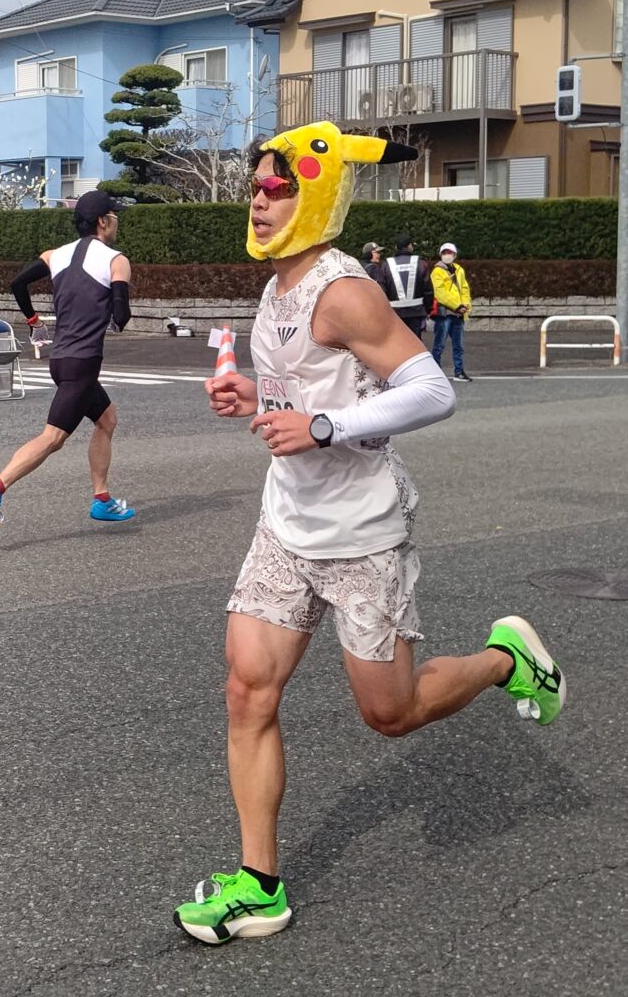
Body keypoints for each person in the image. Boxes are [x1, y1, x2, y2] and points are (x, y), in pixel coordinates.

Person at [172, 121, 566, 946]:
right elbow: (304, 387)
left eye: (277, 187)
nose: (259, 200)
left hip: (360, 533)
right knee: (246, 690)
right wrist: (255, 400)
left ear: (314, 197)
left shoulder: (344, 291)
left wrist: (322, 427)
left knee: (389, 714)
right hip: (286, 525)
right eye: (254, 186)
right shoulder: (277, 284)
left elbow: (431, 390)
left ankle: (505, 659)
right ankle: (258, 885)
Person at [0, 189, 136, 533]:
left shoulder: (55, 255)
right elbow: (121, 316)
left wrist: (34, 321)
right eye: (114, 217)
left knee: (107, 419)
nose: (116, 222)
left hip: (61, 359)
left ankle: (102, 498)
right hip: (82, 363)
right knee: (53, 438)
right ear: (102, 222)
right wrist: (110, 315)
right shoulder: (116, 260)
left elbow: (18, 283)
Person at [375, 232, 434, 339]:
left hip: (395, 313)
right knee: (414, 342)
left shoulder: (386, 265)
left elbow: (381, 291)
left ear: (396, 247)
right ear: (410, 246)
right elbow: (428, 290)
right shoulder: (420, 263)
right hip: (416, 312)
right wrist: (428, 309)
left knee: (397, 342)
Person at [430, 242, 472, 383]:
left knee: (458, 346)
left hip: (458, 313)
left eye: (449, 252)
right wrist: (457, 306)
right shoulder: (437, 272)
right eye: (444, 253)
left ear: (454, 254)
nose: (447, 255)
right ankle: (435, 372)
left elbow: (464, 289)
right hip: (444, 313)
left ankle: (459, 371)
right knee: (439, 345)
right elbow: (440, 293)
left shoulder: (459, 270)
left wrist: (465, 305)